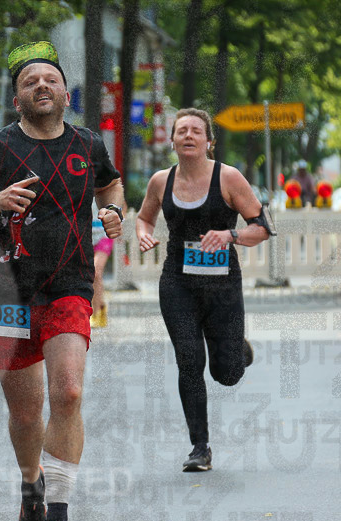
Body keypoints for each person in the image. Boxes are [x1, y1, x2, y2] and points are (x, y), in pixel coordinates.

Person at [0, 42, 124, 521]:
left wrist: (113, 213)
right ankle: (32, 487)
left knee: (67, 393)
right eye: (29, 82)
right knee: (26, 414)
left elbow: (111, 188)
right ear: (17, 99)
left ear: (66, 94)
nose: (41, 86)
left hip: (70, 282)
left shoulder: (88, 144)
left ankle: (59, 518)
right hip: (8, 291)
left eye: (50, 80)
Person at [135, 107, 272, 472]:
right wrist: (144, 234)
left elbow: (262, 227)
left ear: (209, 141)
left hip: (223, 286)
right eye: (182, 131)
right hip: (177, 284)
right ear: (174, 140)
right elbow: (144, 217)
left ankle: (236, 347)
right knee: (189, 361)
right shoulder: (161, 181)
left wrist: (230, 235)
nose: (189, 136)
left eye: (197, 130)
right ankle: (200, 447)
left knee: (225, 373)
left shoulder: (228, 178)